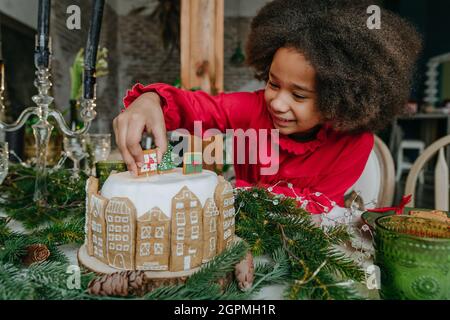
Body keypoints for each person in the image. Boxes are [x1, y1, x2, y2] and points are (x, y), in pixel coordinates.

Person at [113, 0, 422, 214]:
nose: (277, 101)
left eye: (299, 95)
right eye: (273, 84)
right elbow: (200, 106)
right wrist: (151, 100)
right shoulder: (253, 109)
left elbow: (315, 205)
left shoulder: (353, 144)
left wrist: (239, 192)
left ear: (339, 100)